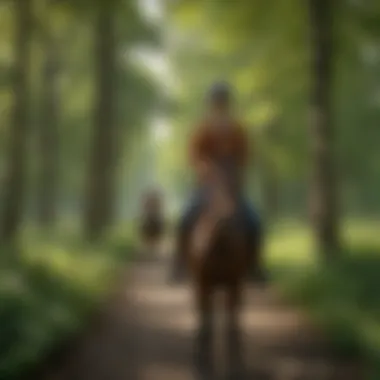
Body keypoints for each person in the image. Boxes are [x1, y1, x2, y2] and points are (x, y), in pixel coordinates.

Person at [171, 81, 263, 281]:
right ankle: (180, 264)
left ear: (228, 103)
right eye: (216, 101)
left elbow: (245, 157)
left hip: (231, 187)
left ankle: (255, 266)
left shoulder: (237, 129)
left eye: (223, 101)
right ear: (210, 104)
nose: (219, 105)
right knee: (185, 218)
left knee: (254, 220)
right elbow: (194, 157)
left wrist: (235, 173)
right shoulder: (202, 129)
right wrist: (207, 170)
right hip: (207, 187)